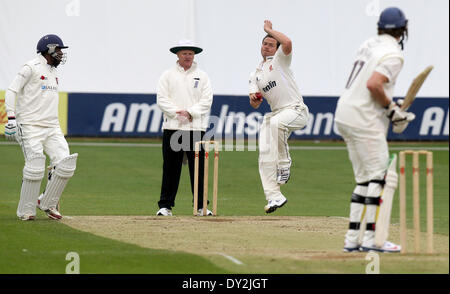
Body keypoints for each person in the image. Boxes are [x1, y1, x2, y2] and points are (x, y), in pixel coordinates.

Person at [335, 7, 415, 252]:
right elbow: (373, 84)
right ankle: (373, 241)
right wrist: (393, 111)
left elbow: (369, 84)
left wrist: (391, 107)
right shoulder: (394, 54)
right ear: (402, 31)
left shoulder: (369, 44)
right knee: (381, 178)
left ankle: (352, 240)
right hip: (364, 120)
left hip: (345, 113)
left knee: (364, 179)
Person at [4, 34, 78, 221]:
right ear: (49, 49)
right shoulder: (30, 67)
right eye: (59, 49)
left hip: (52, 126)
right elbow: (12, 90)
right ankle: (26, 210)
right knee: (35, 165)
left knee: (65, 163)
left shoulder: (53, 72)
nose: (61, 54)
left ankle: (47, 202)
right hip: (29, 125)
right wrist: (11, 118)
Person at [249, 20, 309, 214]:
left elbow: (288, 42)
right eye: (265, 43)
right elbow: (255, 103)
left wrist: (269, 30)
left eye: (271, 44)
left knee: (275, 123)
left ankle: (284, 163)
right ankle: (274, 196)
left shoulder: (280, 60)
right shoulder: (255, 74)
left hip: (296, 110)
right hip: (276, 114)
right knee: (264, 151)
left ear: (276, 49)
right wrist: (255, 98)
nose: (267, 47)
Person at [156, 40, 213, 216]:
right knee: (171, 168)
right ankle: (165, 206)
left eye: (190, 53)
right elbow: (162, 99)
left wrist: (190, 113)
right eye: (184, 53)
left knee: (199, 169)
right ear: (178, 55)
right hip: (173, 127)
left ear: (194, 55)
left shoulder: (202, 76)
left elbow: (207, 100)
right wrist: (177, 113)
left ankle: (201, 206)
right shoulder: (167, 75)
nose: (188, 56)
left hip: (196, 127)